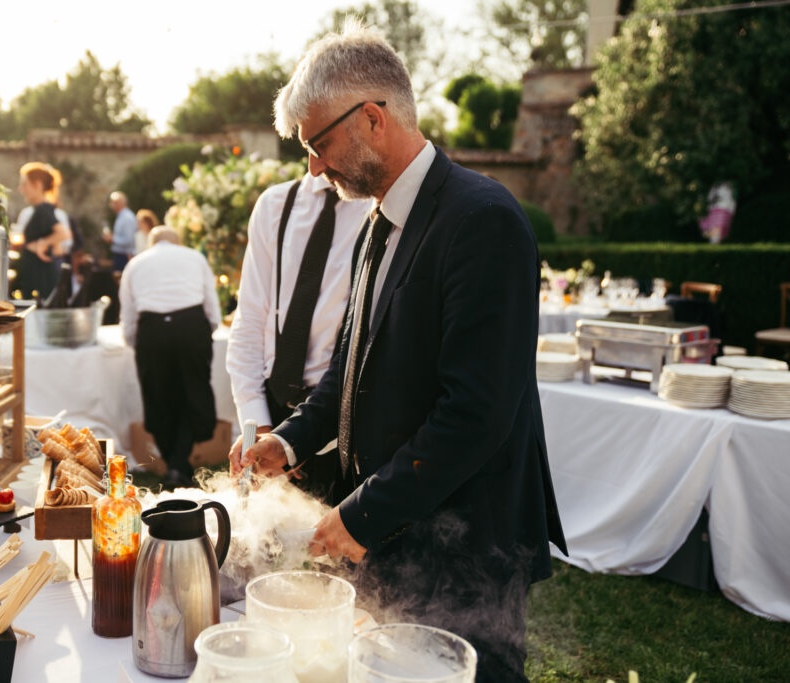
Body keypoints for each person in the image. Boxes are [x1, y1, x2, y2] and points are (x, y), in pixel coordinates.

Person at [229, 23, 566, 682]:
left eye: (318, 143)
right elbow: (348, 371)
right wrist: (290, 441)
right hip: (397, 532)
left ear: (374, 118)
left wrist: (361, 511)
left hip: (466, 541)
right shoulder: (377, 225)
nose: (315, 167)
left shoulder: (482, 218)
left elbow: (475, 412)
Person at [226, 171, 370, 499]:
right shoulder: (275, 205)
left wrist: (300, 438)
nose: (316, 162)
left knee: (334, 544)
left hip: (344, 422)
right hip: (273, 410)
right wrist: (260, 425)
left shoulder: (377, 208)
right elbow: (249, 320)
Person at [120, 226, 221, 488]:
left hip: (152, 330)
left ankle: (176, 466)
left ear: (152, 243)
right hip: (191, 325)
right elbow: (212, 305)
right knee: (192, 393)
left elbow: (128, 314)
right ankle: (179, 466)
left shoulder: (136, 264)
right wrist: (206, 331)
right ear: (178, 242)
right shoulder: (195, 258)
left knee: (158, 398)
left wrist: (136, 341)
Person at [13, 162, 72, 300]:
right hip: (35, 273)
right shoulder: (38, 209)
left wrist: (42, 244)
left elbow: (64, 234)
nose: (21, 189)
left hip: (41, 276)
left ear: (37, 185)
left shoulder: (43, 209)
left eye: (25, 184)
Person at [104, 191, 137, 272]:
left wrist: (112, 239)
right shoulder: (121, 216)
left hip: (124, 257)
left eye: (114, 202)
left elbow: (129, 240)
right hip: (120, 256)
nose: (111, 205)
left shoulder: (127, 217)